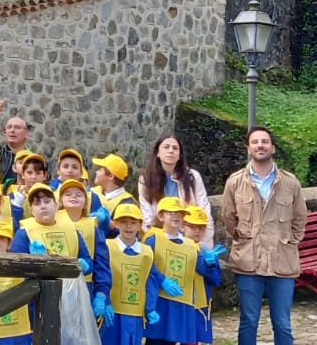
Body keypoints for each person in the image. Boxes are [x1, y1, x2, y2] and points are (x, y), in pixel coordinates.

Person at [221, 125, 307, 345]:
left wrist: (289, 241)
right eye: (255, 142)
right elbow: (229, 218)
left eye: (265, 141)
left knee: (282, 322)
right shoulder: (235, 182)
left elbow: (299, 218)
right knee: (249, 320)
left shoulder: (290, 183)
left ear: (273, 148)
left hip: (282, 262)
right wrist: (243, 240)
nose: (260, 145)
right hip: (249, 262)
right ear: (248, 148)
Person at [96, 202, 184, 345]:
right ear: (116, 223)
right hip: (112, 312)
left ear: (139, 225)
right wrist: (104, 301)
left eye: (133, 222)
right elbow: (102, 277)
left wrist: (150, 309)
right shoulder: (107, 247)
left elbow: (150, 282)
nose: (128, 226)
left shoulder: (147, 252)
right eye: (123, 222)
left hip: (135, 314)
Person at [144, 197, 225, 345]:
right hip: (159, 300)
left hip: (180, 303)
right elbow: (145, 264)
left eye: (179, 213)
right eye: (171, 212)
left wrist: (209, 264)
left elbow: (203, 270)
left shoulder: (189, 245)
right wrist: (162, 280)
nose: (176, 216)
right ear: (161, 216)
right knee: (156, 340)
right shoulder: (153, 238)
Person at [137, 135, 213, 247]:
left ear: (179, 155)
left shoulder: (192, 177)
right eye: (166, 147)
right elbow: (146, 214)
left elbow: (204, 210)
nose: (171, 151)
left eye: (175, 148)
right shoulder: (146, 179)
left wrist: (204, 246)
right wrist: (153, 241)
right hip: (161, 238)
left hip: (190, 239)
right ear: (157, 153)